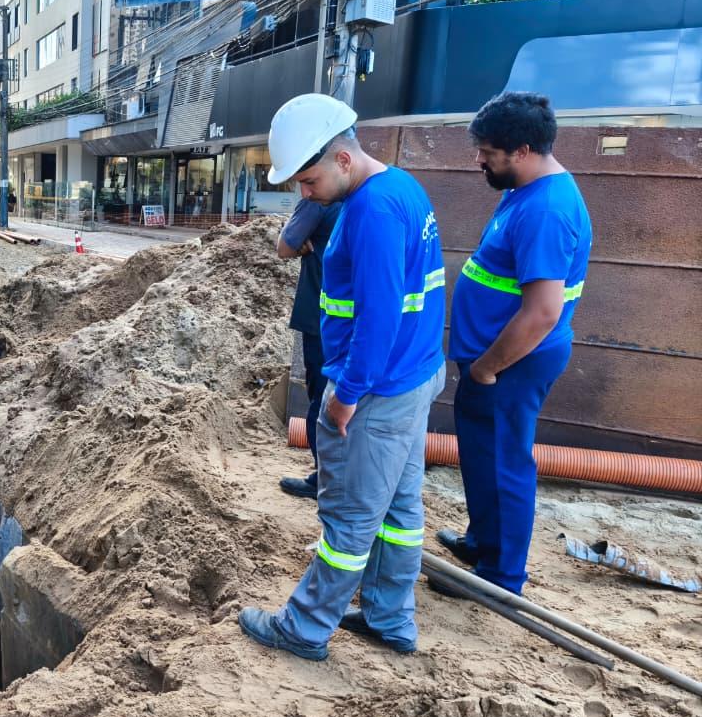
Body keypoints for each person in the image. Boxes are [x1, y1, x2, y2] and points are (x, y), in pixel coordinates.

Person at [238, 94, 446, 660]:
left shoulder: (371, 212)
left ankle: (304, 628)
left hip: (378, 388)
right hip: (414, 376)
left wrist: (347, 395)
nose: (305, 195)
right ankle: (389, 616)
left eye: (308, 181)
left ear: (344, 160)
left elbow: (378, 316)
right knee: (399, 512)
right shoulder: (402, 188)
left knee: (351, 519)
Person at [438, 92, 592, 595]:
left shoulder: (546, 210)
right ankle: (484, 540)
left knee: (504, 464)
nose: (479, 159)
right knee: (484, 457)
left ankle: (499, 578)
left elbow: (543, 312)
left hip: (508, 366)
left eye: (487, 152)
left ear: (521, 150)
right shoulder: (524, 191)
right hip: (494, 360)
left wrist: (486, 368)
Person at [276, 194, 342, 500]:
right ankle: (335, 477)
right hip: (347, 317)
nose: (304, 187)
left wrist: (300, 242)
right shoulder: (360, 198)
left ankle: (323, 480)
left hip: (322, 315)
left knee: (320, 395)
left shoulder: (318, 200)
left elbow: (284, 246)